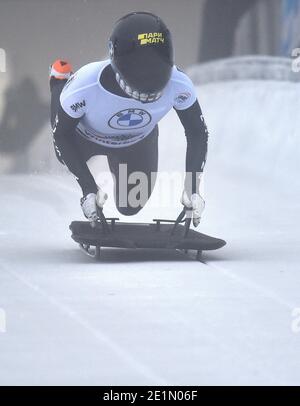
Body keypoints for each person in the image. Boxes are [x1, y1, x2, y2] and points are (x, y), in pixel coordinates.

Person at [49, 12, 208, 227]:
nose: (148, 86)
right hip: (85, 136)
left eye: (156, 70)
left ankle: (120, 164)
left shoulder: (180, 85)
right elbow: (63, 134)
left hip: (136, 141)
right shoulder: (85, 86)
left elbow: (197, 131)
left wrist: (192, 188)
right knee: (62, 153)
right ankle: (59, 81)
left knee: (131, 204)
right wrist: (88, 188)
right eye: (141, 73)